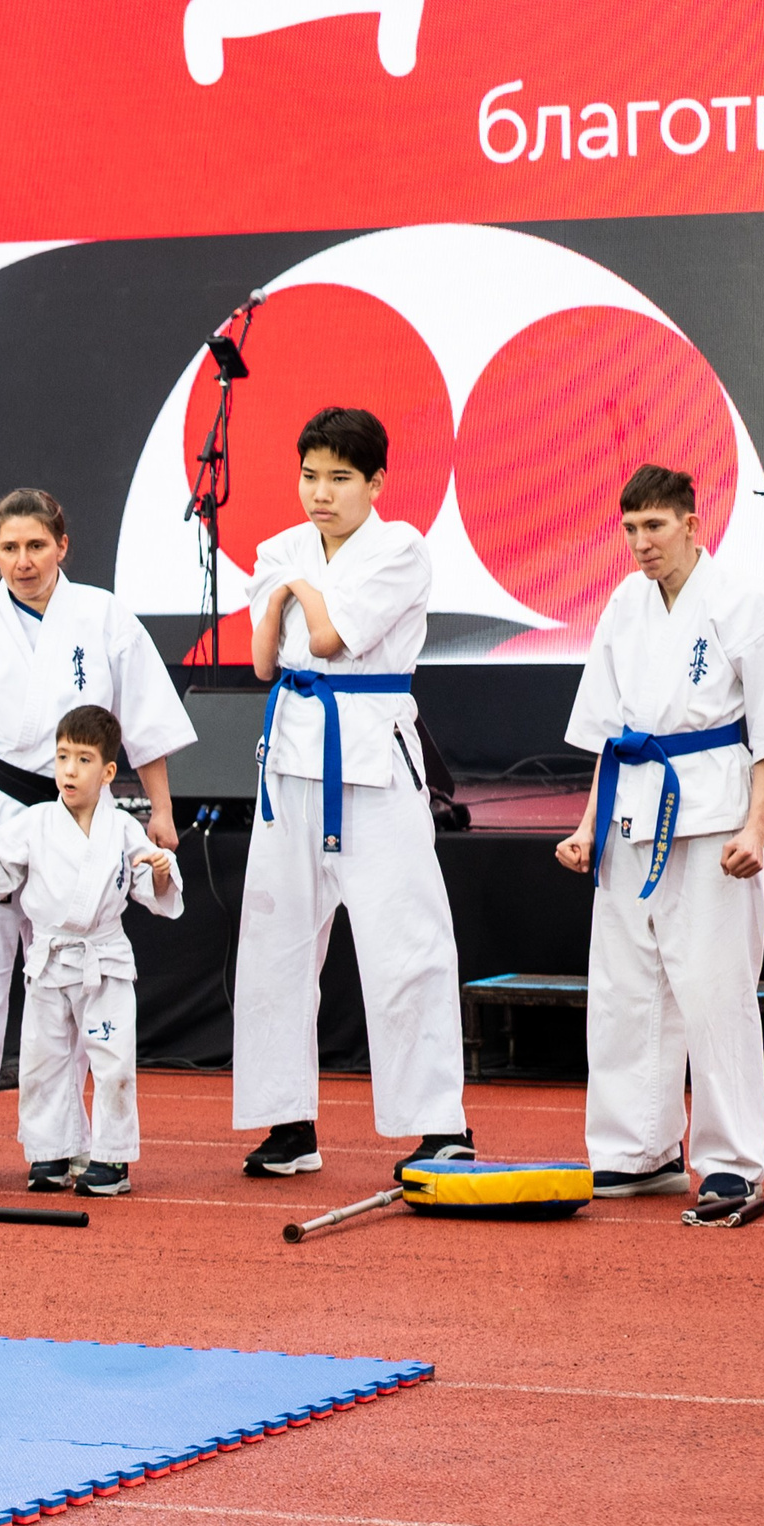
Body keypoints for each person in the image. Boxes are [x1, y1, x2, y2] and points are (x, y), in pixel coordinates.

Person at [0, 488, 196, 1193]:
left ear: (63, 545)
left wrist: (161, 811)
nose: (22, 561)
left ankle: (66, 1144)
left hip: (77, 814)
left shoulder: (104, 615)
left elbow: (145, 720)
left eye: (35, 546)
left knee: (75, 985)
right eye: (8, 548)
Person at [233, 407, 471, 1178]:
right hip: (291, 758)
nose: (321, 493)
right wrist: (293, 593)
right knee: (275, 947)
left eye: (340, 477)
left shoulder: (401, 547)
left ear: (375, 482)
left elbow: (332, 637)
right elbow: (265, 660)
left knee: (406, 941)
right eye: (310, 475)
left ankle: (438, 1123)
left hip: (372, 759)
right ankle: (288, 1122)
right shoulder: (279, 546)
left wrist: (298, 591)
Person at [556, 465, 764, 1218]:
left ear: (692, 523)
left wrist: (757, 825)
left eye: (654, 526)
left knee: (716, 989)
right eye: (629, 528)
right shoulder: (623, 605)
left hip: (714, 816)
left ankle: (731, 1163)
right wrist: (586, 826)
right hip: (630, 815)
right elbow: (604, 732)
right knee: (625, 990)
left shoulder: (741, 600)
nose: (640, 543)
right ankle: (637, 1151)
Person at [0, 704, 182, 1197]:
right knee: (43, 1059)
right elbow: (0, 881)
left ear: (108, 771)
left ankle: (112, 1160)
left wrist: (160, 871)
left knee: (112, 1061)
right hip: (50, 960)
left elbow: (152, 890)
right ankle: (50, 1153)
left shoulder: (122, 829)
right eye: (61, 758)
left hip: (104, 961)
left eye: (83, 760)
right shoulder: (35, 823)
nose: (69, 770)